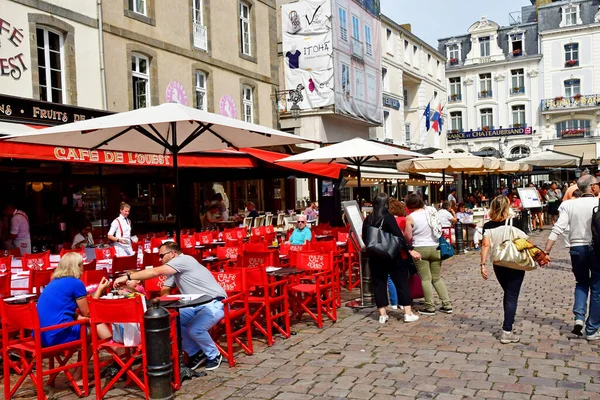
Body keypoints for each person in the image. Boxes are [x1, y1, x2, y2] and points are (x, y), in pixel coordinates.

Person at [113, 241, 226, 370]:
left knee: (194, 329)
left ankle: (214, 355)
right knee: (168, 322)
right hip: (195, 306)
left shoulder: (184, 260)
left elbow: (156, 272)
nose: (159, 259)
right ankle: (196, 353)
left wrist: (127, 276)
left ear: (172, 254)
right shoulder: (174, 269)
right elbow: (165, 289)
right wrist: (165, 301)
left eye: (161, 256)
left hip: (215, 302)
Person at [37, 253, 112, 384]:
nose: (83, 267)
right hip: (56, 335)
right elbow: (88, 312)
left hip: (40, 336)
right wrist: (100, 291)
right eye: (82, 265)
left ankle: (115, 352)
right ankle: (80, 375)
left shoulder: (53, 283)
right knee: (93, 328)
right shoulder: (75, 283)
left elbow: (70, 308)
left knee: (86, 323)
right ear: (77, 266)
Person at [544, 175, 600, 340]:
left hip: (577, 248)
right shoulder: (598, 203)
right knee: (597, 288)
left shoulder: (568, 204)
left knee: (581, 283)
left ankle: (579, 318)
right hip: (597, 249)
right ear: (593, 187)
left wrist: (546, 251)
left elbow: (558, 228)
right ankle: (592, 329)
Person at [480, 195, 539, 344]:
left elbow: (485, 245)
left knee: (508, 294)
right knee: (511, 296)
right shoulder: (515, 221)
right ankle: (507, 331)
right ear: (507, 207)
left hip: (498, 263)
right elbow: (525, 242)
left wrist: (482, 264)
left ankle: (508, 324)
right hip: (515, 262)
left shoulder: (487, 225)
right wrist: (539, 255)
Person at [362, 193, 419, 324]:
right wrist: (409, 249)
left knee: (379, 283)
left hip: (375, 256)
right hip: (392, 255)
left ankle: (382, 314)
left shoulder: (368, 219)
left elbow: (365, 238)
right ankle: (407, 313)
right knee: (401, 282)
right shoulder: (388, 217)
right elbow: (399, 236)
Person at [405, 194, 453, 315]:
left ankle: (430, 306)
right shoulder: (432, 212)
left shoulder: (410, 217)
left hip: (420, 248)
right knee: (436, 278)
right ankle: (446, 304)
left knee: (426, 279)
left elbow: (408, 236)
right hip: (436, 247)